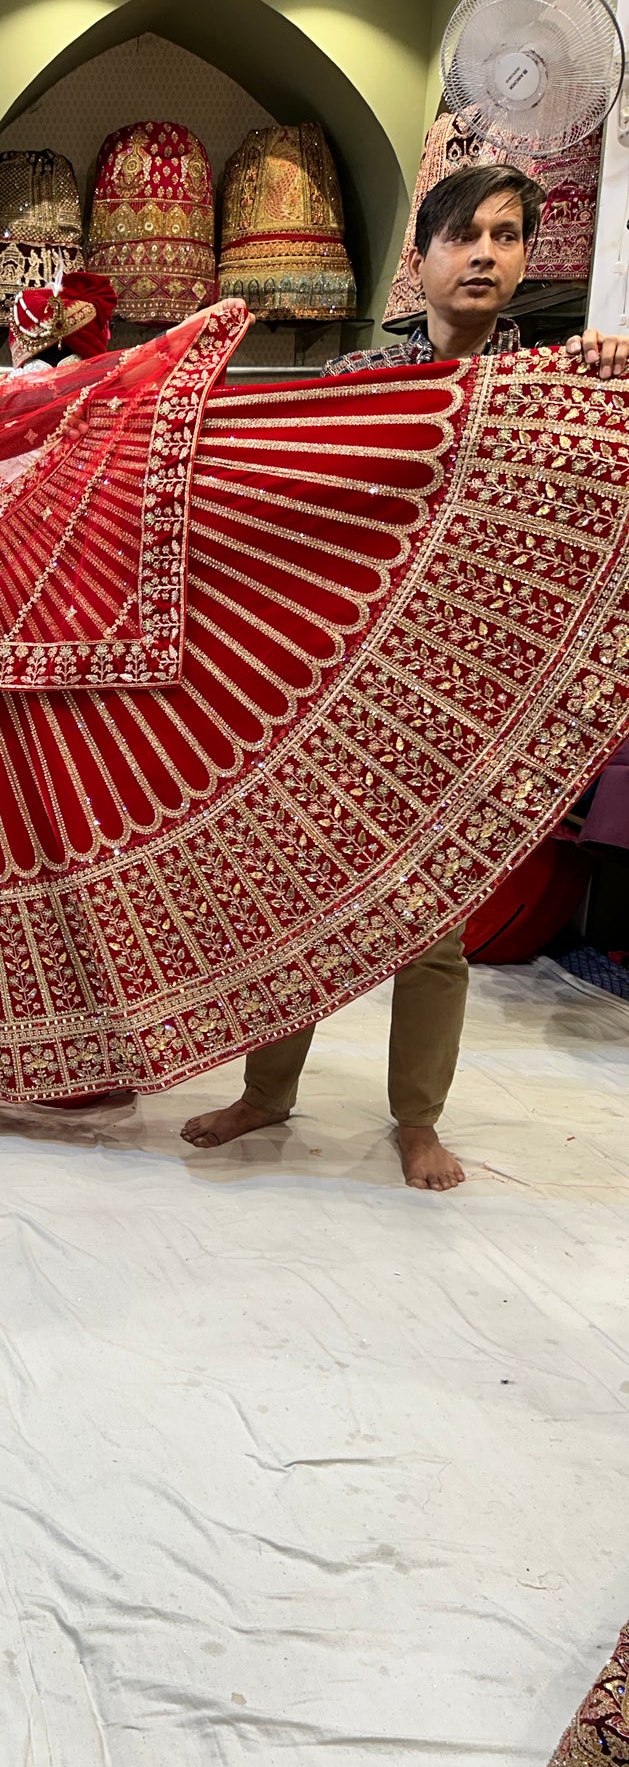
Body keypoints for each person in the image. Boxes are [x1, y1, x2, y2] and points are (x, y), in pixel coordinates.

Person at [181, 164, 629, 1190]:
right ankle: (265, 1093)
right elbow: (276, 495)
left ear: (522, 261)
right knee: (293, 900)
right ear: (417, 260)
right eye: (461, 234)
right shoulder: (353, 385)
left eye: (505, 236)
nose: (482, 253)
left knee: (430, 927)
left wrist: (610, 368)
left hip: (464, 697)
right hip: (338, 682)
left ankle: (414, 1118)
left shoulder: (557, 386)